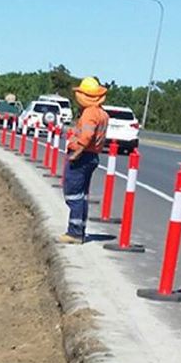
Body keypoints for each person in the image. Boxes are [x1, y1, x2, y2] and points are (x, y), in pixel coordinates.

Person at [59, 77, 110, 244]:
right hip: (92, 157)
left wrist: (77, 152)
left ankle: (74, 232)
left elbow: (87, 136)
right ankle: (79, 230)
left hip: (82, 156)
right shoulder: (103, 114)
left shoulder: (90, 113)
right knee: (82, 196)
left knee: (73, 195)